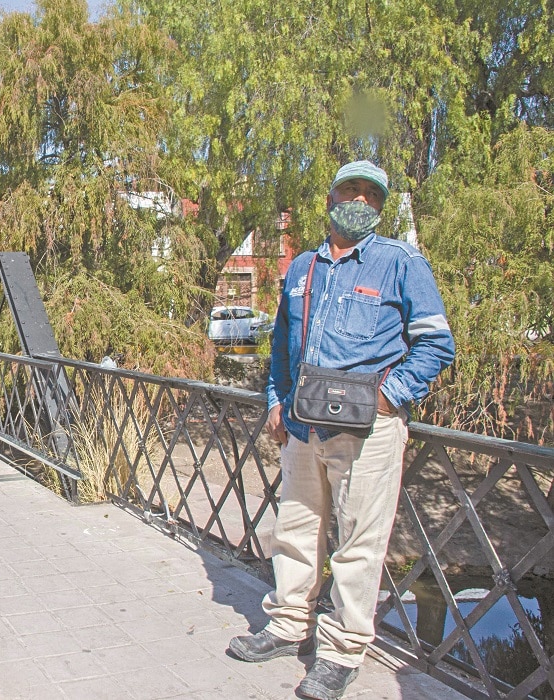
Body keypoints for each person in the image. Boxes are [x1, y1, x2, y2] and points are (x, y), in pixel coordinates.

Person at [226, 160, 455, 699]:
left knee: (357, 544)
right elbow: (282, 345)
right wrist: (276, 401)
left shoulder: (400, 264)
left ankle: (340, 652)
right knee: (297, 532)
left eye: (370, 195)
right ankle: (286, 626)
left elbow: (435, 344)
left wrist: (386, 396)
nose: (359, 201)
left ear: (379, 207)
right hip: (304, 427)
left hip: (367, 432)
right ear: (330, 200)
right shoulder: (303, 267)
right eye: (349, 190)